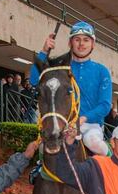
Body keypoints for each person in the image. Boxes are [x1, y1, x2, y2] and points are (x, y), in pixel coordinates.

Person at [31, 21, 113, 156]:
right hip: (62, 124)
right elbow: (34, 80)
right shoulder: (59, 67)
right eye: (77, 40)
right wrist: (44, 51)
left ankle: (113, 166)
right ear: (70, 43)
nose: (81, 44)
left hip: (90, 126)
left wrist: (83, 119)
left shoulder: (101, 71)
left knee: (94, 143)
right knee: (41, 150)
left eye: (86, 40)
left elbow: (105, 105)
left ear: (93, 44)